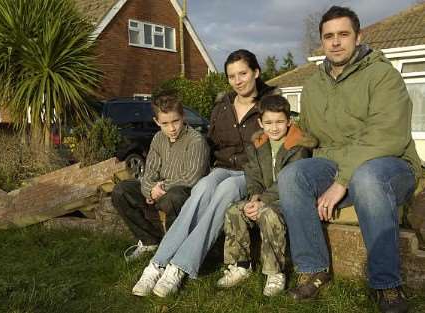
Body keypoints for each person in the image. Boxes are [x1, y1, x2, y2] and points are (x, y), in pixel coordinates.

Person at [277, 6, 421, 313]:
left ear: (358, 37)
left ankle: (387, 285)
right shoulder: (314, 85)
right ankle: (314, 269)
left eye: (343, 34)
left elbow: (387, 135)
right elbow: (316, 135)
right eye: (328, 36)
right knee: (292, 176)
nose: (336, 42)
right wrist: (293, 135)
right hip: (337, 163)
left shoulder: (382, 74)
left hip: (391, 164)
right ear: (322, 42)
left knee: (367, 177)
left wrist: (341, 182)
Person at [132, 49, 280, 298]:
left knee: (226, 190)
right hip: (221, 168)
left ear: (256, 72)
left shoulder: (269, 107)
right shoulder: (222, 106)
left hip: (250, 173)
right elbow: (211, 144)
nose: (238, 80)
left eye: (243, 73)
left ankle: (179, 266)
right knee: (203, 188)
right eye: (232, 76)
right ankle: (156, 264)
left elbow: (278, 145)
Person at [216, 94, 316, 296]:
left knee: (268, 214)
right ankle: (241, 265)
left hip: (288, 200)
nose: (274, 127)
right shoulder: (258, 143)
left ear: (289, 121)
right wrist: (254, 197)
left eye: (280, 121)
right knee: (235, 210)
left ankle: (275, 272)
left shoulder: (298, 146)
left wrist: (263, 201)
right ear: (260, 122)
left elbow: (288, 180)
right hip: (262, 197)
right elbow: (252, 173)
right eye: (268, 122)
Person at [111, 90, 209, 261]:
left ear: (183, 116)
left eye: (175, 121)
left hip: (183, 195)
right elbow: (148, 174)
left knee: (175, 195)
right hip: (158, 194)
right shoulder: (157, 139)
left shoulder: (196, 140)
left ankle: (173, 252)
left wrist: (161, 187)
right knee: (120, 191)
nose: (171, 128)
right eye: (165, 123)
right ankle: (149, 241)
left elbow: (191, 178)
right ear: (157, 121)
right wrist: (150, 191)